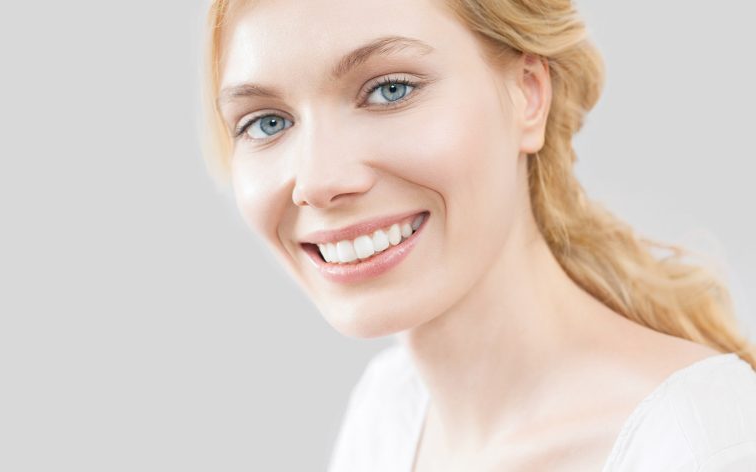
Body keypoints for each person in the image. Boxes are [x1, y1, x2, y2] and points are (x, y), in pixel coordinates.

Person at [199, 0, 756, 470]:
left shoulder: (699, 441)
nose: (318, 182)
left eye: (390, 90)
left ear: (528, 94)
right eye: (266, 122)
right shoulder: (388, 415)